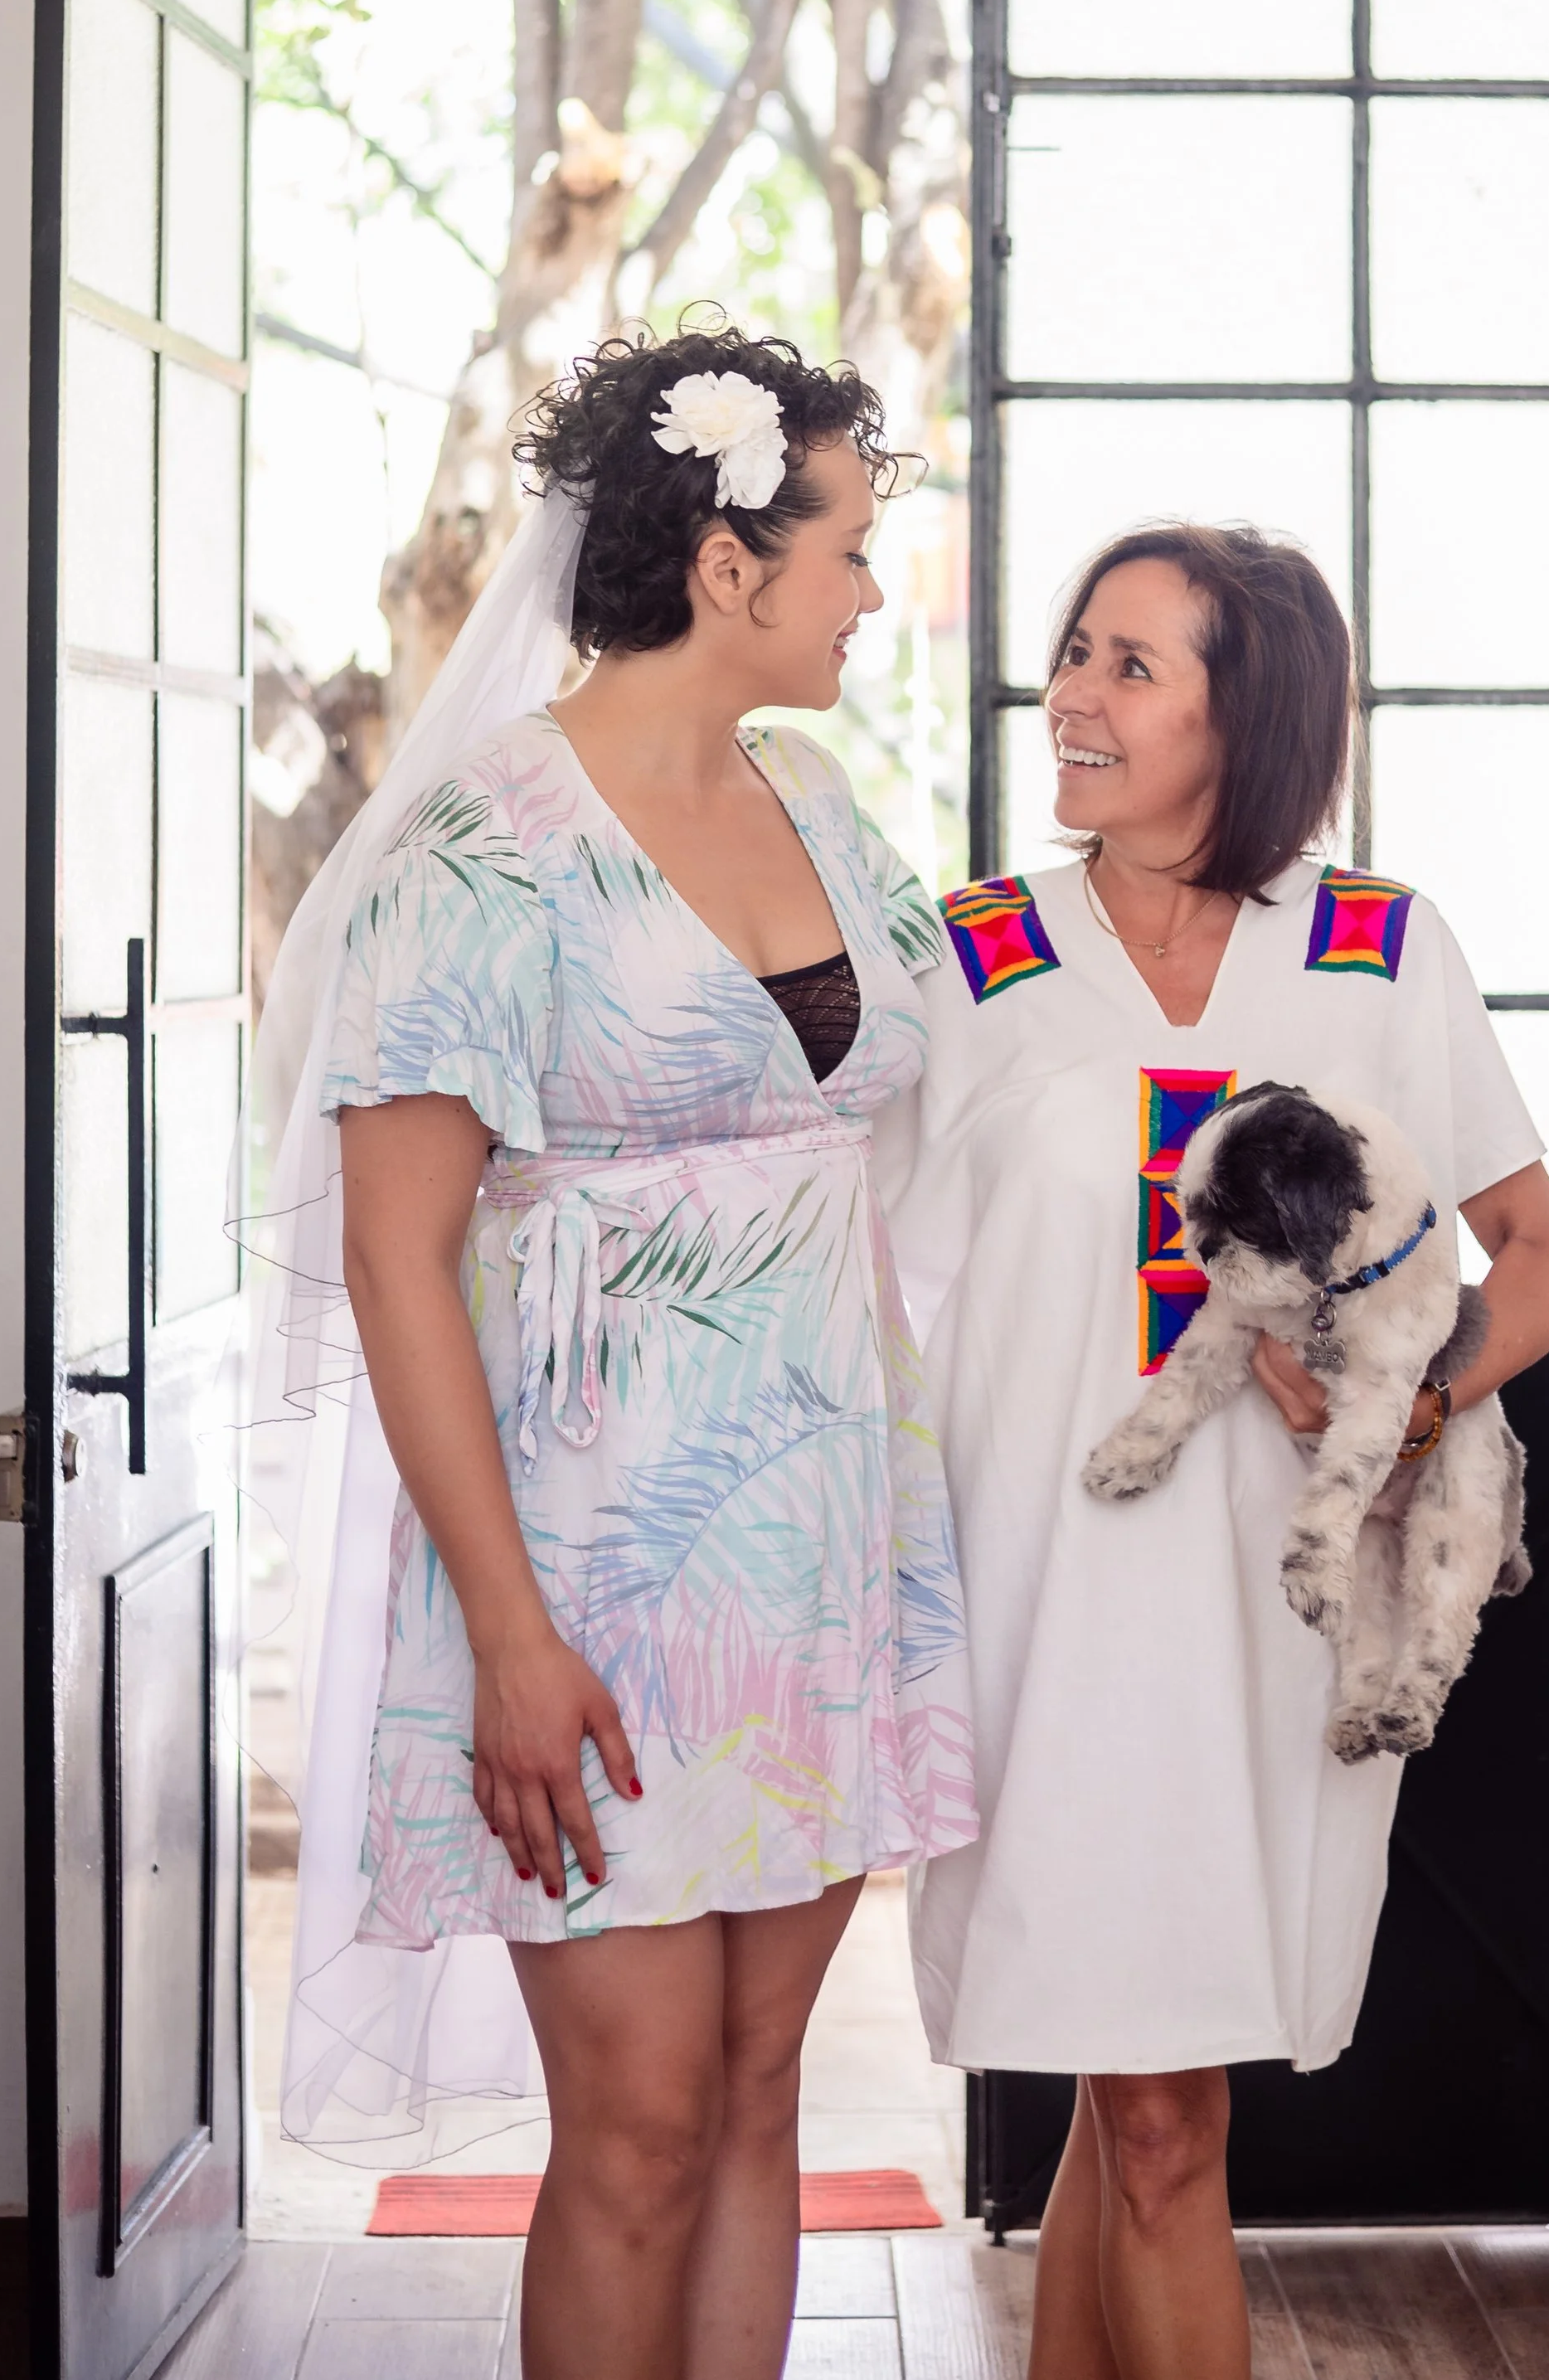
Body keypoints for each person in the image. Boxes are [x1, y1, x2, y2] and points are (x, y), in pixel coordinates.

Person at [249, 328, 975, 2380]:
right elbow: (397, 1264)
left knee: (756, 2100)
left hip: (820, 1553)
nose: (866, 594)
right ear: (729, 567)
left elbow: (965, 1057)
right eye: (845, 550)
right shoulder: (478, 851)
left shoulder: (817, 801)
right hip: (587, 1570)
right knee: (639, 2125)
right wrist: (507, 1637)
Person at [877, 523, 1549, 2380]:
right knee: (1139, 2110)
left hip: (1274, 1626)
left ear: (1244, 709)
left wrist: (1407, 1407)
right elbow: (866, 1276)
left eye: (1130, 665)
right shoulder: (970, 952)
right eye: (1075, 651)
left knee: (1151, 2109)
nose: (1074, 694)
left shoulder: (1376, 946)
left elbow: (1543, 1261)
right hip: (1042, 1602)